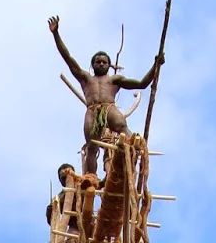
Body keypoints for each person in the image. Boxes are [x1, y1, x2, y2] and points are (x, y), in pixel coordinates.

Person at [48, 16, 161, 175]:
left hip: (109, 108)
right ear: (92, 64)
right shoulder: (86, 78)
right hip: (92, 110)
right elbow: (68, 58)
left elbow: (142, 83)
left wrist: (156, 66)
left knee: (121, 125)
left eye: (104, 62)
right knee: (92, 145)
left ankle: (135, 147)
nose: (101, 64)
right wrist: (56, 34)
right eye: (98, 62)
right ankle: (91, 179)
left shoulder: (115, 79)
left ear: (109, 66)